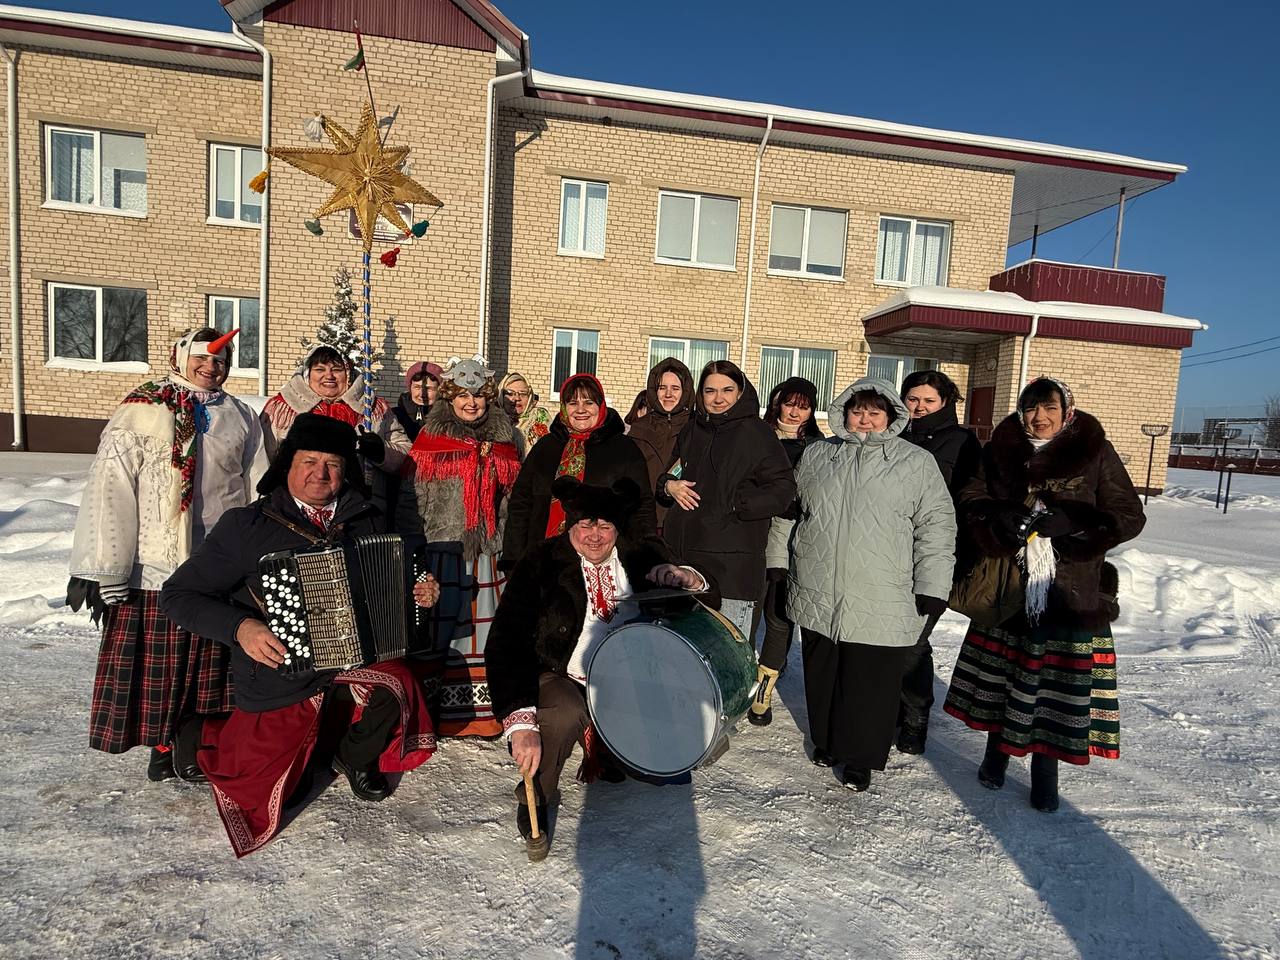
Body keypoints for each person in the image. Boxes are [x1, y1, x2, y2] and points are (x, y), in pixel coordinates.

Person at [160, 414, 439, 856]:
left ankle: (351, 754)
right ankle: (195, 735)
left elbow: (390, 582)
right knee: (271, 791)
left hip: (352, 656)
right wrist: (242, 627)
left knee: (399, 683)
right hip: (281, 665)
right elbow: (177, 595)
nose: (320, 474)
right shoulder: (246, 526)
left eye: (333, 464)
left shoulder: (363, 518)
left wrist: (419, 590)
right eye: (309, 461)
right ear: (288, 463)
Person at [68, 328, 268, 783]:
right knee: (165, 664)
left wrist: (261, 551)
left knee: (210, 665)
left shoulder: (240, 415)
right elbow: (111, 485)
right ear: (179, 358)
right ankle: (161, 741)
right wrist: (107, 564)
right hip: (157, 564)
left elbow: (258, 482)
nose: (212, 368)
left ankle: (192, 740)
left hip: (221, 561)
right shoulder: (142, 408)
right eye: (202, 358)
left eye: (221, 361)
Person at [943, 377, 1144, 812]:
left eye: (1049, 408)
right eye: (1032, 408)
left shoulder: (1094, 450)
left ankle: (1045, 773)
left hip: (1067, 593)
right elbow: (971, 496)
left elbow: (1129, 515)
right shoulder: (1001, 448)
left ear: (1066, 410)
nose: (1040, 417)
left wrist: (1074, 522)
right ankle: (996, 755)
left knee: (1051, 690)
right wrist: (1000, 517)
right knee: (1004, 681)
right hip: (1009, 588)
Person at [485, 477, 718, 853]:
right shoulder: (541, 561)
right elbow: (505, 642)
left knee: (658, 760)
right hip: (561, 672)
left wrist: (688, 578)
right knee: (564, 712)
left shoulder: (640, 557)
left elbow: (704, 605)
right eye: (585, 525)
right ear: (570, 526)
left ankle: (617, 751)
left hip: (623, 678)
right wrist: (520, 721)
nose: (595, 536)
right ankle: (537, 794)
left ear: (617, 528)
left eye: (605, 526)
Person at [787, 377, 956, 792]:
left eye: (874, 412)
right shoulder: (818, 454)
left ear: (891, 416)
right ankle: (827, 740)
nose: (865, 419)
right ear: (844, 412)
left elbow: (936, 525)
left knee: (869, 681)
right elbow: (789, 513)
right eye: (857, 410)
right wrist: (778, 563)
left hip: (882, 589)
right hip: (818, 582)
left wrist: (933, 583)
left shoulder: (915, 462)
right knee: (823, 670)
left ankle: (859, 757)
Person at [398, 357, 523, 737]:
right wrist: (415, 546)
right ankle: (434, 712)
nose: (472, 403)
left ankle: (482, 714)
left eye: (480, 396)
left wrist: (503, 544)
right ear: (450, 398)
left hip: (486, 552)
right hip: (442, 546)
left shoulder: (503, 442)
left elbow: (510, 501)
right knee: (443, 628)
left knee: (484, 630)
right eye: (463, 396)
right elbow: (411, 497)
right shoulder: (429, 441)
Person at [657, 360, 795, 639]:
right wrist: (668, 486)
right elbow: (670, 473)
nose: (718, 398)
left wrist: (735, 503)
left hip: (732, 572)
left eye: (727, 390)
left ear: (741, 392)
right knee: (682, 660)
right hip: (683, 564)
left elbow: (783, 490)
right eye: (710, 391)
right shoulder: (692, 429)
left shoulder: (757, 433)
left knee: (725, 662)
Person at [894, 369, 984, 755]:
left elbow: (972, 504)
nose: (919, 407)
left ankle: (915, 716)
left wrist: (962, 561)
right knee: (887, 640)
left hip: (936, 557)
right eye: (913, 399)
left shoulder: (962, 443)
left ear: (946, 402)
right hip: (890, 555)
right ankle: (889, 710)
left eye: (928, 401)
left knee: (913, 643)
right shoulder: (892, 435)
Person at [501, 373, 656, 571]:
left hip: (603, 563)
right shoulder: (545, 447)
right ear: (564, 408)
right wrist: (514, 557)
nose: (580, 410)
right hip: (543, 560)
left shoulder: (624, 450)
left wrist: (644, 557)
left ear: (600, 406)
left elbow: (641, 507)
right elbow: (521, 504)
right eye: (573, 403)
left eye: (589, 402)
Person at [749, 376, 824, 726]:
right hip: (748, 538)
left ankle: (764, 687)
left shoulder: (819, 447)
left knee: (779, 616)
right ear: (777, 402)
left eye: (803, 405)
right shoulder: (754, 436)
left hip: (791, 544)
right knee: (746, 614)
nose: (794, 412)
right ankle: (736, 675)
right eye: (789, 403)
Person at [260, 344, 410, 473]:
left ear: (348, 374)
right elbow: (261, 459)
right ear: (307, 374)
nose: (329, 376)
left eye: (337, 369)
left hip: (360, 499)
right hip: (296, 499)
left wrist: (382, 452)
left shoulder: (373, 409)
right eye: (320, 370)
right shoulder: (282, 408)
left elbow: (407, 455)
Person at [626, 357, 695, 530]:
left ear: (685, 391)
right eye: (662, 388)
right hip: (646, 521)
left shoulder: (698, 428)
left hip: (684, 521)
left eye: (675, 388)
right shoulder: (639, 428)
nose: (668, 394)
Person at [498, 371, 552, 454]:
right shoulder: (493, 419)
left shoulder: (539, 416)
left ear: (530, 396)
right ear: (501, 396)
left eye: (523, 394)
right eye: (510, 393)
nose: (517, 398)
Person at [391, 361, 444, 442]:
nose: (422, 394)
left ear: (439, 390)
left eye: (429, 388)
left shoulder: (448, 415)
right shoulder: (395, 416)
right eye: (417, 387)